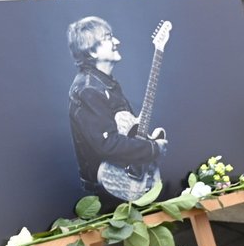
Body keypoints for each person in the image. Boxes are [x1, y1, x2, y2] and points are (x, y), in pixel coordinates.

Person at [66, 16, 168, 201]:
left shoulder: (106, 83)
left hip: (127, 181)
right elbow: (108, 144)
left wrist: (145, 137)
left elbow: (125, 130)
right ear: (92, 51)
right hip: (108, 190)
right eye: (108, 37)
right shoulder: (89, 89)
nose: (117, 41)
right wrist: (153, 148)